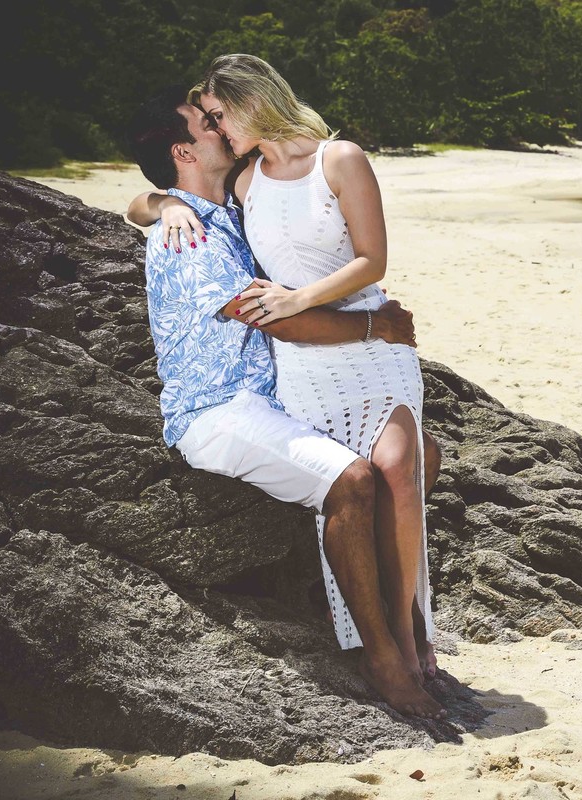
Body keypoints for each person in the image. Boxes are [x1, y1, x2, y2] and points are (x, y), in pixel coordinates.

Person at [125, 84, 445, 719]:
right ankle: (380, 654)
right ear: (183, 151)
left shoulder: (228, 206)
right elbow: (277, 320)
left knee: (416, 459)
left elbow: (138, 201)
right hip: (220, 412)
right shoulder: (185, 238)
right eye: (207, 123)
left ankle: (412, 630)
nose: (222, 127)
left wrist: (156, 200)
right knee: (352, 480)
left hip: (277, 397)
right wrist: (373, 327)